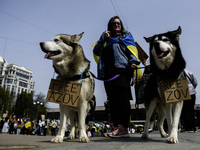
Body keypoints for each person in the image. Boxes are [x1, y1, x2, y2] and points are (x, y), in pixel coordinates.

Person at [93, 16, 142, 138]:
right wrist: (102, 39)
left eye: (118, 23)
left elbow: (132, 50)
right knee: (112, 101)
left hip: (121, 71)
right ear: (110, 26)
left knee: (122, 99)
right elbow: (96, 51)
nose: (117, 25)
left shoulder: (126, 37)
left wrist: (133, 62)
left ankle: (123, 128)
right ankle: (116, 127)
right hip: (107, 74)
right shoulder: (105, 39)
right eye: (114, 23)